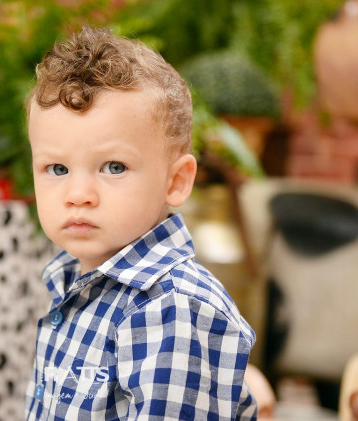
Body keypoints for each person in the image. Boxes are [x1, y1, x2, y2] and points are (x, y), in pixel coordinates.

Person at [25, 26, 257, 420]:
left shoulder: (172, 310)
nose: (78, 194)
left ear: (175, 181)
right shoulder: (70, 282)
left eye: (114, 167)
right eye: (57, 168)